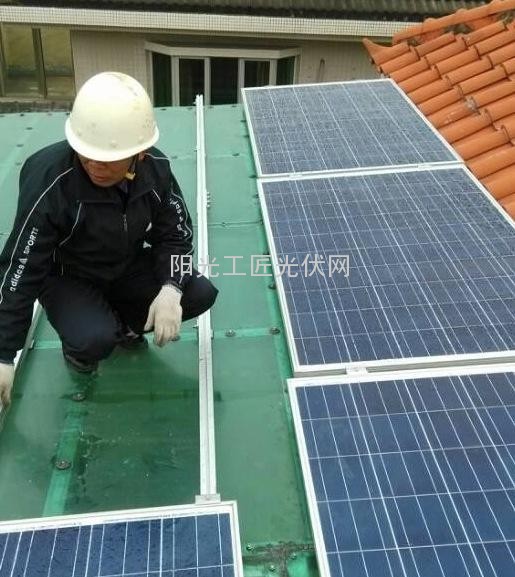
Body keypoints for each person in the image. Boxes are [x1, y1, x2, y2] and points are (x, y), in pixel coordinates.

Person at [0, 71, 218, 406]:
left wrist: (171, 288)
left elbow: (175, 235)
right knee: (94, 340)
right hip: (67, 277)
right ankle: (82, 342)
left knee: (199, 292)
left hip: (124, 265)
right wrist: (3, 354)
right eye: (86, 153)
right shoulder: (51, 181)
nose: (94, 165)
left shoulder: (156, 171)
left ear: (139, 153)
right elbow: (21, 267)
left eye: (107, 159)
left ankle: (125, 324)